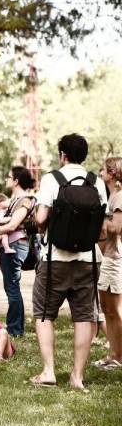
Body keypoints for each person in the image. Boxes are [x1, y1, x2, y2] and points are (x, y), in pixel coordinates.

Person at [30, 133, 107, 390]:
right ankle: (77, 377)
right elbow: (103, 231)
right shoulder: (97, 183)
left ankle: (49, 372)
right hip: (88, 259)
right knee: (84, 316)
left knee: (43, 313)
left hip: (55, 259)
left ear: (62, 154)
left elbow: (41, 218)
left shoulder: (52, 179)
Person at [0, 167, 36, 336]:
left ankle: (14, 329)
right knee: (12, 287)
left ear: (16, 181)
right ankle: (15, 327)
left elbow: (13, 225)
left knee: (12, 288)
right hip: (12, 246)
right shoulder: (15, 200)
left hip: (15, 246)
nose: (6, 179)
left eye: (9, 177)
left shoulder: (24, 200)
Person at [92, 156, 122, 370]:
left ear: (112, 173)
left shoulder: (119, 197)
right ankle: (114, 353)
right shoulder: (113, 195)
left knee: (116, 309)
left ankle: (119, 356)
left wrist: (98, 217)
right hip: (109, 257)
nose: (100, 173)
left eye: (103, 170)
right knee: (107, 309)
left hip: (116, 259)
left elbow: (116, 228)